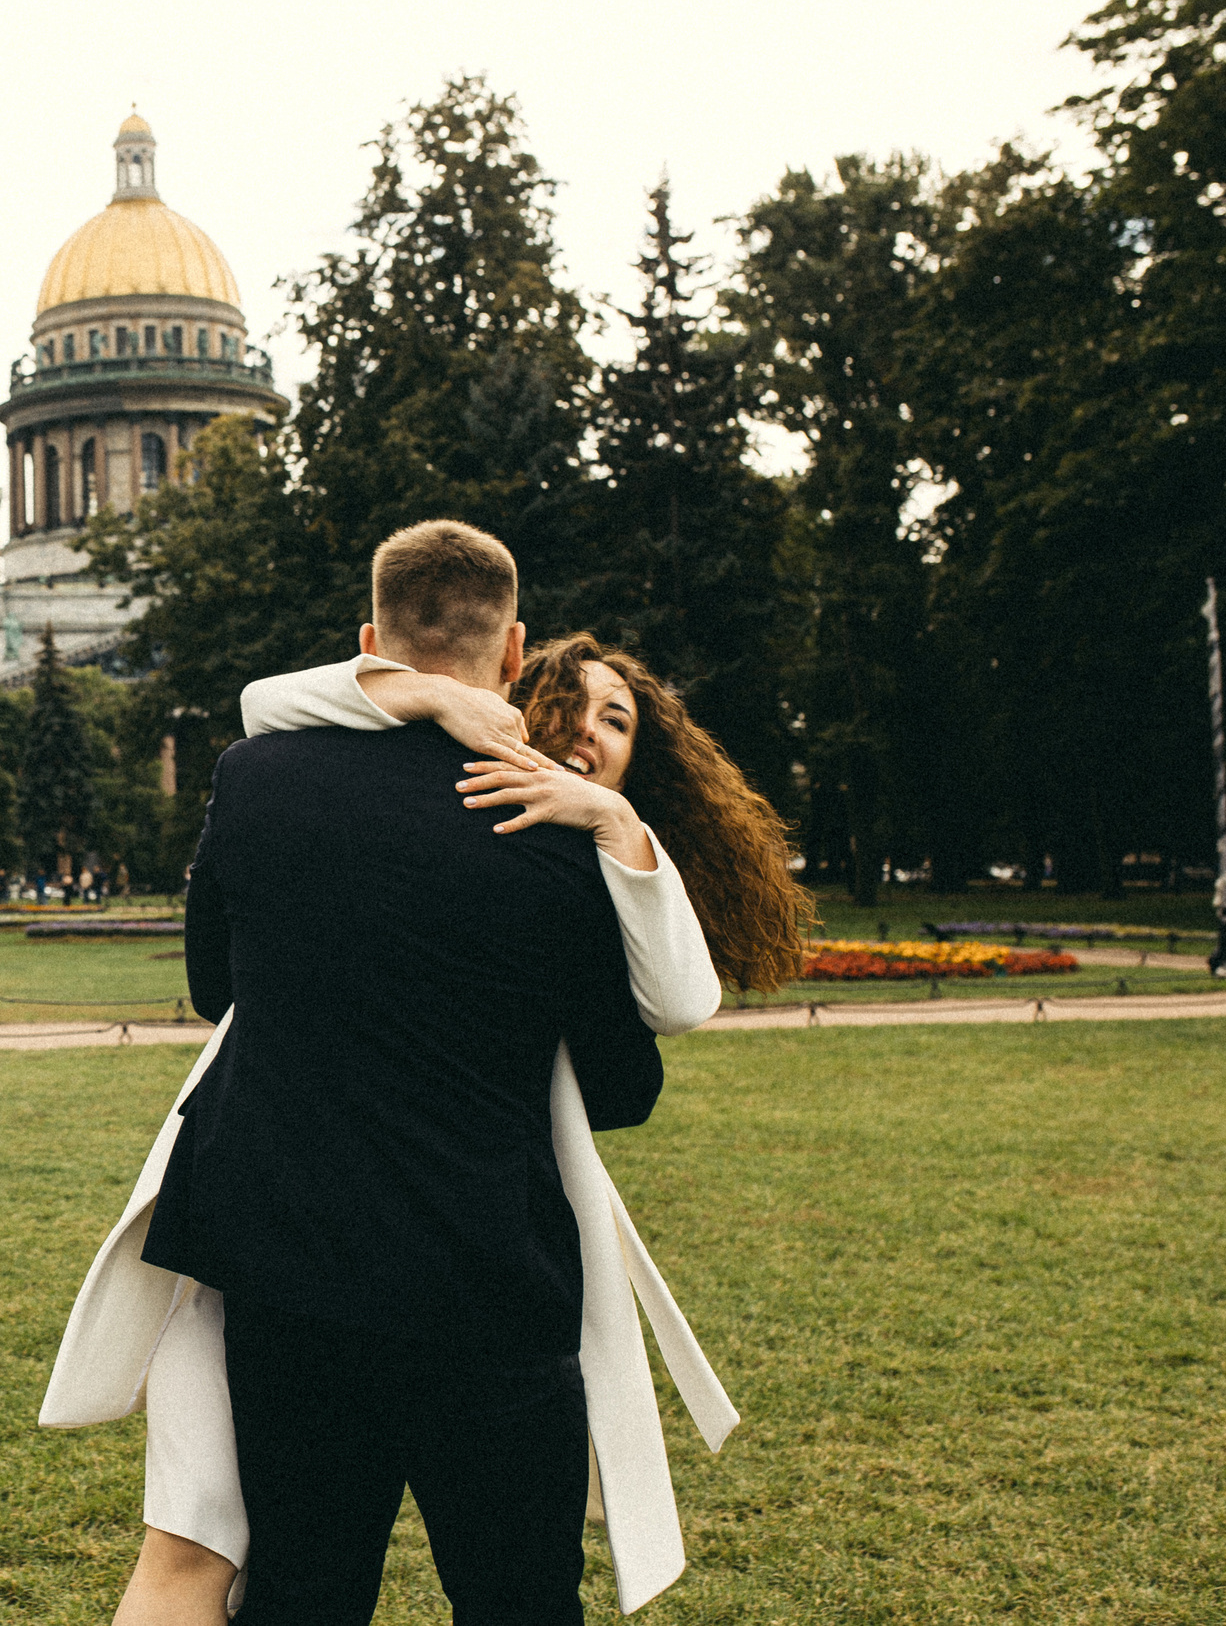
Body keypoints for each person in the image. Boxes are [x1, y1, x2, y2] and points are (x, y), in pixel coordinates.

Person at [41, 525, 811, 1623]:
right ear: (516, 657)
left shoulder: (253, 779)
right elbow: (626, 1083)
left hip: (288, 1270)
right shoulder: (555, 830)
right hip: (488, 1279)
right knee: (516, 1600)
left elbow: (219, 986)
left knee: (305, 1590)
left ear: (370, 645)